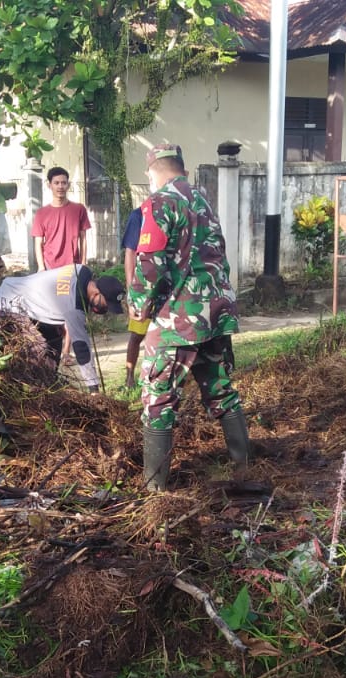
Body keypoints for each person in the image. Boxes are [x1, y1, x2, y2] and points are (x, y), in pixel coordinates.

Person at [127, 143, 250, 491]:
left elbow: (150, 262)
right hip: (215, 314)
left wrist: (138, 302)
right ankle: (244, 467)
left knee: (157, 397)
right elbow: (218, 255)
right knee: (220, 388)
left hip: (178, 319)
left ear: (154, 171)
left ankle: (155, 490)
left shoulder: (160, 202)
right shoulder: (203, 200)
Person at [0, 264, 125, 393]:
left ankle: (46, 388)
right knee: (38, 348)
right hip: (8, 301)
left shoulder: (82, 270)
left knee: (54, 343)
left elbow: (57, 293)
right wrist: (93, 388)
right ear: (96, 293)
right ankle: (30, 395)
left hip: (29, 303)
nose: (105, 310)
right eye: (106, 305)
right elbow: (81, 347)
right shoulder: (74, 306)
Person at [31, 166, 91, 272]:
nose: (60, 186)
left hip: (73, 266)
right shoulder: (41, 213)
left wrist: (83, 263)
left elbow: (83, 239)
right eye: (56, 183)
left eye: (64, 183)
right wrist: (41, 267)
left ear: (68, 185)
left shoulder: (79, 209)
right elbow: (38, 243)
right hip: (49, 266)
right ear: (49, 185)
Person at [120, 206, 148, 391]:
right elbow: (130, 252)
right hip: (143, 285)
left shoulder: (178, 210)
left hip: (169, 287)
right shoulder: (139, 214)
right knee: (138, 334)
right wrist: (131, 289)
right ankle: (129, 376)